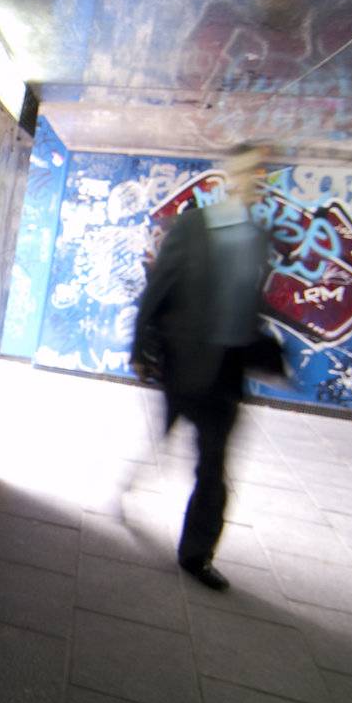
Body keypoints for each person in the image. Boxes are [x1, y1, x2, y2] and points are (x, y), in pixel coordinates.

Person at [130, 145, 281, 590]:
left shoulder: (258, 238)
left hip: (227, 373)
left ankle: (196, 554)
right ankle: (137, 477)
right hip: (185, 363)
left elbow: (248, 302)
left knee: (213, 467)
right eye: (253, 170)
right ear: (232, 175)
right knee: (168, 433)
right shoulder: (194, 227)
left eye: (264, 172)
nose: (259, 179)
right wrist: (141, 346)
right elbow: (159, 288)